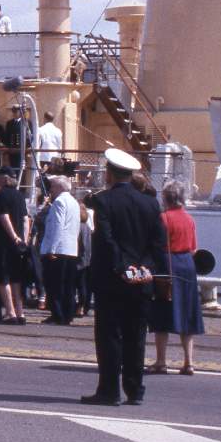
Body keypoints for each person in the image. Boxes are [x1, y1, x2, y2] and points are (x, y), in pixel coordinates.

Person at [81, 148, 166, 406]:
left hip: (112, 279)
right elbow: (158, 243)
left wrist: (123, 267)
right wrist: (144, 268)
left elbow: (106, 240)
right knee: (136, 335)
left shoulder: (103, 201)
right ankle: (135, 389)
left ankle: (109, 390)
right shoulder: (151, 203)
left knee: (109, 335)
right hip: (142, 280)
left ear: (109, 173)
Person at [149, 182, 203, 376]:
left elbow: (156, 245)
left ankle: (161, 361)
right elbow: (194, 248)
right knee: (187, 312)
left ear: (165, 198)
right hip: (187, 265)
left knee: (162, 312)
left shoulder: (163, 218)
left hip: (167, 263)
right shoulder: (189, 219)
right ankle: (189, 362)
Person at [39, 175, 81, 326]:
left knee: (55, 284)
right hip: (71, 248)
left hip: (59, 248)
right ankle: (67, 314)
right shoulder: (74, 202)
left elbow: (57, 226)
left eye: (53, 186)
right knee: (68, 284)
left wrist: (51, 249)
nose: (50, 189)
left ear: (59, 187)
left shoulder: (59, 202)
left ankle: (57, 314)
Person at [0, 169, 30, 324]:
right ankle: (21, 312)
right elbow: (26, 219)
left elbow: (4, 216)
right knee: (16, 278)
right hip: (19, 243)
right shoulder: (20, 195)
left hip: (4, 241)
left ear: (4, 178)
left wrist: (13, 236)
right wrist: (24, 239)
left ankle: (10, 312)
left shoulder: (0, 194)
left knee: (3, 278)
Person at [3, 105, 30, 170]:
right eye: (14, 111)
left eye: (16, 111)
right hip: (12, 151)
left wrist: (27, 149)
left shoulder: (25, 122)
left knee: (21, 170)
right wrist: (6, 151)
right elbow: (6, 137)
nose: (15, 113)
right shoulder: (9, 123)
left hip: (22, 151)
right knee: (12, 169)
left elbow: (29, 138)